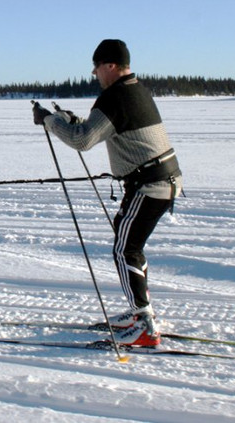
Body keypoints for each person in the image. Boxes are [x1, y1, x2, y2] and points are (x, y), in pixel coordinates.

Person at [32, 39, 182, 347]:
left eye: (97, 67)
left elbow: (83, 141)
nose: (94, 73)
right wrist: (70, 120)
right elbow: (98, 129)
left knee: (125, 249)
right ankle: (139, 312)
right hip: (160, 181)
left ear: (110, 65)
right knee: (128, 244)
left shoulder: (115, 97)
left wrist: (49, 121)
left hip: (150, 185)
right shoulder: (134, 89)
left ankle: (143, 324)